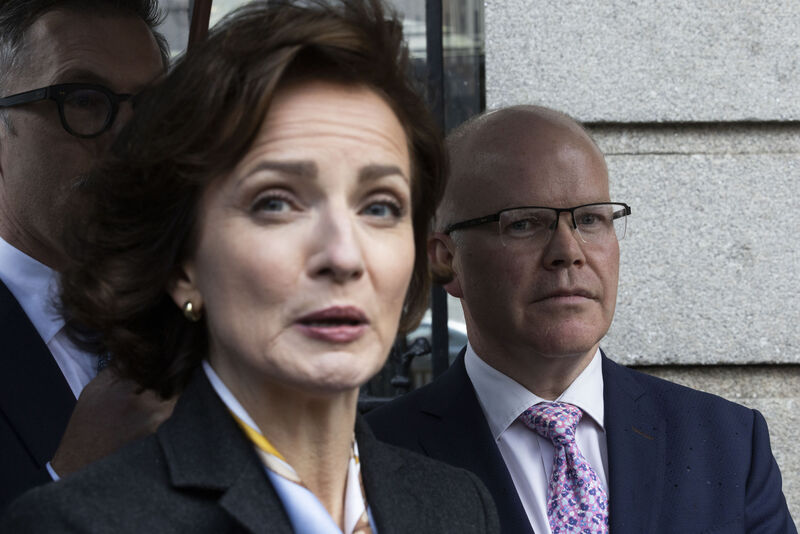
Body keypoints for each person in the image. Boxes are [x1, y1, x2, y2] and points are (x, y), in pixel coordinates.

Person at [0, 2, 500, 532]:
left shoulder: (462, 506)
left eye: (380, 207)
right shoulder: (79, 520)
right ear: (184, 262)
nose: (344, 255)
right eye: (277, 203)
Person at [366, 106, 797, 534]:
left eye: (590, 219)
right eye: (524, 224)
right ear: (446, 260)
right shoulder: (370, 459)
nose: (568, 251)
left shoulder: (728, 444)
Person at [0, 0, 174, 511]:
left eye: (150, 107)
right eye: (82, 99)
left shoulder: (194, 316)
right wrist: (74, 475)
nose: (127, 140)